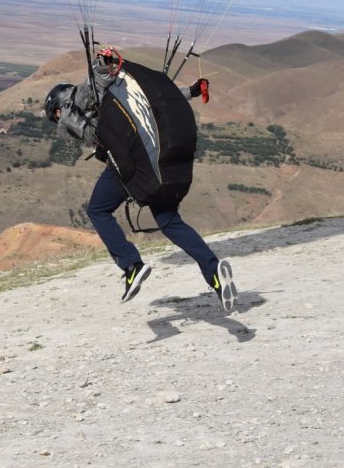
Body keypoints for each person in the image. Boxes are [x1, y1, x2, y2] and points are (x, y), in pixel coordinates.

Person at [44, 51, 238, 312]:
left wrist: (101, 64)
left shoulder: (76, 100)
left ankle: (132, 266)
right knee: (168, 219)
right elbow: (153, 102)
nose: (59, 122)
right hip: (152, 161)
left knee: (98, 210)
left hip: (128, 164)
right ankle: (214, 273)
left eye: (55, 116)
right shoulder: (116, 95)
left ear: (59, 105)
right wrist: (191, 92)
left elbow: (93, 83)